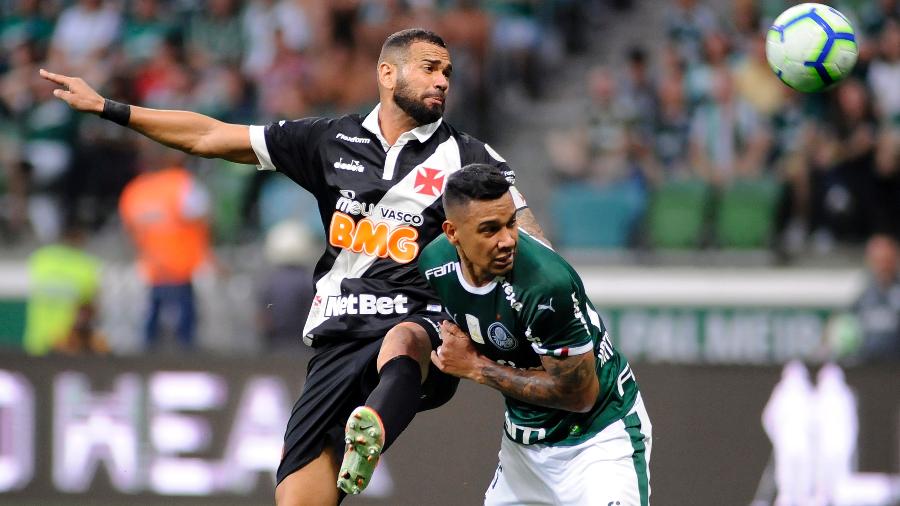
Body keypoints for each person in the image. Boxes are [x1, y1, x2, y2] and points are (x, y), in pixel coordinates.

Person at [39, 28, 546, 505]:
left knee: (406, 339)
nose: (442, 81)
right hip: (338, 336)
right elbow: (210, 137)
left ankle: (372, 426)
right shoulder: (328, 140)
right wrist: (110, 108)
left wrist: (556, 303)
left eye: (448, 72)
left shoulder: (469, 157)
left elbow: (527, 235)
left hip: (423, 329)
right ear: (387, 74)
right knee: (298, 496)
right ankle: (357, 435)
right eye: (430, 68)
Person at [419, 164, 652, 505]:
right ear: (452, 233)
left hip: (597, 441)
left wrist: (475, 367)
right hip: (523, 451)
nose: (507, 240)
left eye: (511, 223)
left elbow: (580, 395)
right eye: (489, 229)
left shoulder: (545, 286)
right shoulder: (434, 265)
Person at [118, 151, 213, 351]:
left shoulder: (134, 190)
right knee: (185, 335)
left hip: (151, 270)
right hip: (182, 270)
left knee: (150, 331)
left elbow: (129, 231)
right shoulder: (182, 183)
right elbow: (204, 216)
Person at [23, 218, 102, 356]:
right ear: (80, 239)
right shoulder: (86, 266)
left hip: (36, 341)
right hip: (66, 344)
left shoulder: (41, 258)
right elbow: (89, 308)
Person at [852, 234, 900, 361]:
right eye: (878, 261)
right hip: (868, 367)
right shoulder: (863, 296)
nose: (883, 266)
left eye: (887, 260)